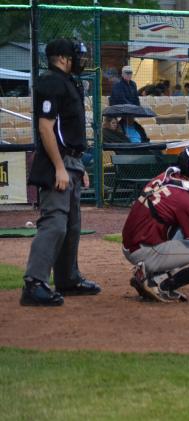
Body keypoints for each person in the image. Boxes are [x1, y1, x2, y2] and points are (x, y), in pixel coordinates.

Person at [21, 38, 101, 306]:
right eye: (76, 56)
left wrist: (79, 168)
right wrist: (59, 166)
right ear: (63, 58)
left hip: (72, 162)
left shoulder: (68, 82)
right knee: (55, 223)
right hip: (58, 163)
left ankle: (68, 279)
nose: (81, 60)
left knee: (72, 225)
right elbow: (46, 128)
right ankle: (34, 283)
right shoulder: (52, 82)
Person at [122, 146, 189, 302]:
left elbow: (175, 207)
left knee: (182, 227)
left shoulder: (169, 175)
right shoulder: (186, 198)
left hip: (134, 243)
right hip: (144, 251)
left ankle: (147, 274)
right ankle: (157, 283)